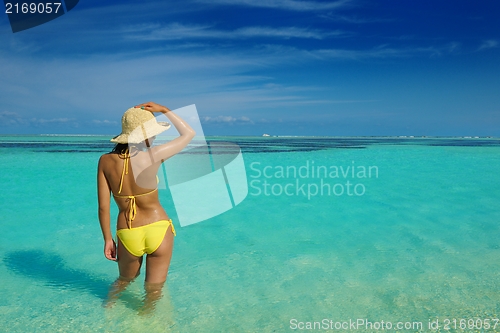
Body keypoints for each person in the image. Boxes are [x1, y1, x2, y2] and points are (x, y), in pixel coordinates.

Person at [97, 101, 195, 310]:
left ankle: (107, 310)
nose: (155, 136)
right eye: (152, 132)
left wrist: (108, 239)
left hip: (128, 231)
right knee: (154, 289)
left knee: (124, 280)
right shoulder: (154, 154)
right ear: (144, 134)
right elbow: (189, 134)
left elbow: (104, 207)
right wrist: (165, 111)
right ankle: (146, 319)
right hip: (158, 227)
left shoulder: (105, 161)